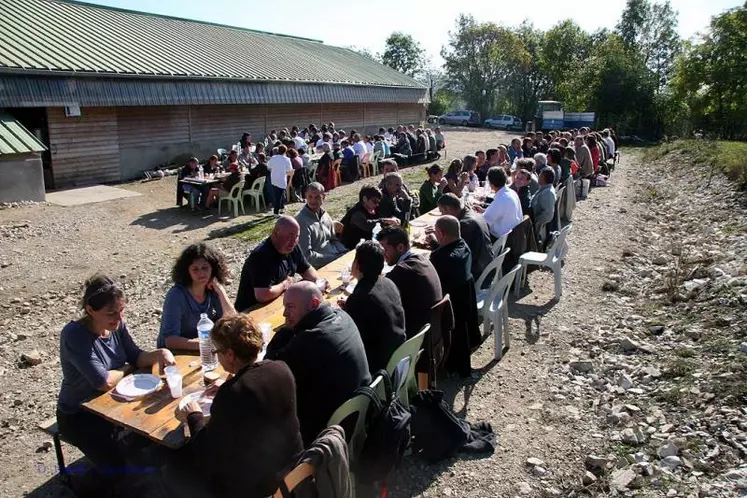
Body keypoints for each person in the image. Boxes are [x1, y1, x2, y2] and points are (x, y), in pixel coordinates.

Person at [57, 275, 175, 482]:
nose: (118, 319)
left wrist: (160, 353)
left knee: (158, 435)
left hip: (114, 405)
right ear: (90, 310)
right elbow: (103, 382)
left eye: (121, 311)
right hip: (79, 415)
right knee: (121, 472)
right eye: (111, 313)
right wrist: (129, 366)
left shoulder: (116, 326)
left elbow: (136, 355)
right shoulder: (75, 335)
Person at [172, 315, 302, 498]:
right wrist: (233, 381)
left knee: (177, 463)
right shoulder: (281, 368)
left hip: (258, 487)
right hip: (292, 468)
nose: (217, 357)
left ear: (230, 354)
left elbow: (208, 453)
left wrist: (194, 416)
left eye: (217, 352)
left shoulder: (232, 394)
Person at [266, 282, 370, 445]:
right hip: (358, 406)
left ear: (314, 304)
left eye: (291, 307)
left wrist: (286, 329)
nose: (285, 313)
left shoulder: (313, 338)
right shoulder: (341, 315)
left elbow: (271, 365)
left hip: (332, 428)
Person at [338, 240, 406, 373]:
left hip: (376, 364)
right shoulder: (388, 283)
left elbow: (351, 338)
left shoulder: (360, 298)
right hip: (398, 353)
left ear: (357, 265)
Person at [158, 243, 236, 350]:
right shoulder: (176, 296)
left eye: (205, 268)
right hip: (177, 354)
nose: (201, 273)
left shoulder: (212, 289)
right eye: (195, 269)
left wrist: (220, 290)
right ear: (187, 271)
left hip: (204, 348)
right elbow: (170, 340)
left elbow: (233, 321)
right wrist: (206, 345)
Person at [234, 216, 319, 312]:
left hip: (277, 303)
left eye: (296, 236)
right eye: (289, 236)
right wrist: (284, 284)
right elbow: (262, 295)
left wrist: (298, 289)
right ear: (275, 234)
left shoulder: (293, 248)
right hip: (251, 310)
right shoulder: (261, 256)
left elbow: (312, 275)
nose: (293, 241)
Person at [377, 226, 442, 338]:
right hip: (434, 328)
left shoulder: (403, 270)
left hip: (417, 333)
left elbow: (378, 294)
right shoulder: (421, 258)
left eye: (385, 250)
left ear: (400, 247)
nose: (382, 255)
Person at [428, 216, 474, 377]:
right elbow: (449, 255)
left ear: (441, 232)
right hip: (464, 305)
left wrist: (435, 249)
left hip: (448, 310)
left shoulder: (439, 258)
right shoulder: (464, 246)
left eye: (436, 231)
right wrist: (436, 244)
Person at [436, 193, 494, 281]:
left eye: (442, 211)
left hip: (477, 270)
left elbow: (455, 254)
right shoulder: (470, 213)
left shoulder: (465, 224)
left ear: (449, 209)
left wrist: (436, 242)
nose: (442, 214)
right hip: (486, 260)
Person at [295, 182, 347, 267]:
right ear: (305, 196)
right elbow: (307, 257)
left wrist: (344, 251)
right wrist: (334, 259)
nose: (313, 201)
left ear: (324, 197)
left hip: (336, 258)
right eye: (310, 197)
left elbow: (333, 239)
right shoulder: (301, 220)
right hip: (321, 266)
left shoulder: (324, 215)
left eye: (317, 197)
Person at [475, 167, 522, 239]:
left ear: (491, 184)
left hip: (500, 238)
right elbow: (502, 213)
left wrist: (473, 214)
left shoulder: (501, 199)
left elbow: (484, 221)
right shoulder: (511, 192)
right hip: (513, 234)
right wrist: (483, 211)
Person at [530, 167, 557, 248]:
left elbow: (548, 215)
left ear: (544, 178)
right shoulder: (544, 188)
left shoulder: (547, 193)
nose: (538, 176)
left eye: (540, 175)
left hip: (539, 228)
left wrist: (535, 222)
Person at [268, 144, 293, 215]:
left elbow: (268, 166)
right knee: (279, 197)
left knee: (279, 195)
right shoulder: (287, 159)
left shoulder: (273, 158)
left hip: (274, 179)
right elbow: (289, 170)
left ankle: (281, 207)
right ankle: (276, 212)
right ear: (285, 151)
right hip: (281, 180)